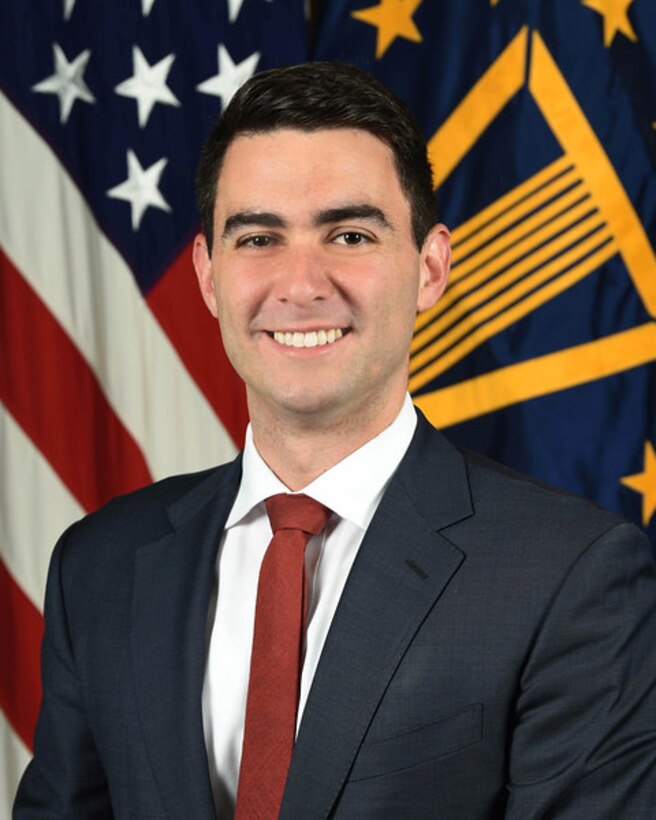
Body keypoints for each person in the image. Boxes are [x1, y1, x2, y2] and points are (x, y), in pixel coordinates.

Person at [14, 62, 656, 820]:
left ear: (429, 268)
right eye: (258, 238)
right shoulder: (99, 567)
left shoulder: (571, 577)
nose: (301, 283)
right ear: (208, 276)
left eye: (349, 234)